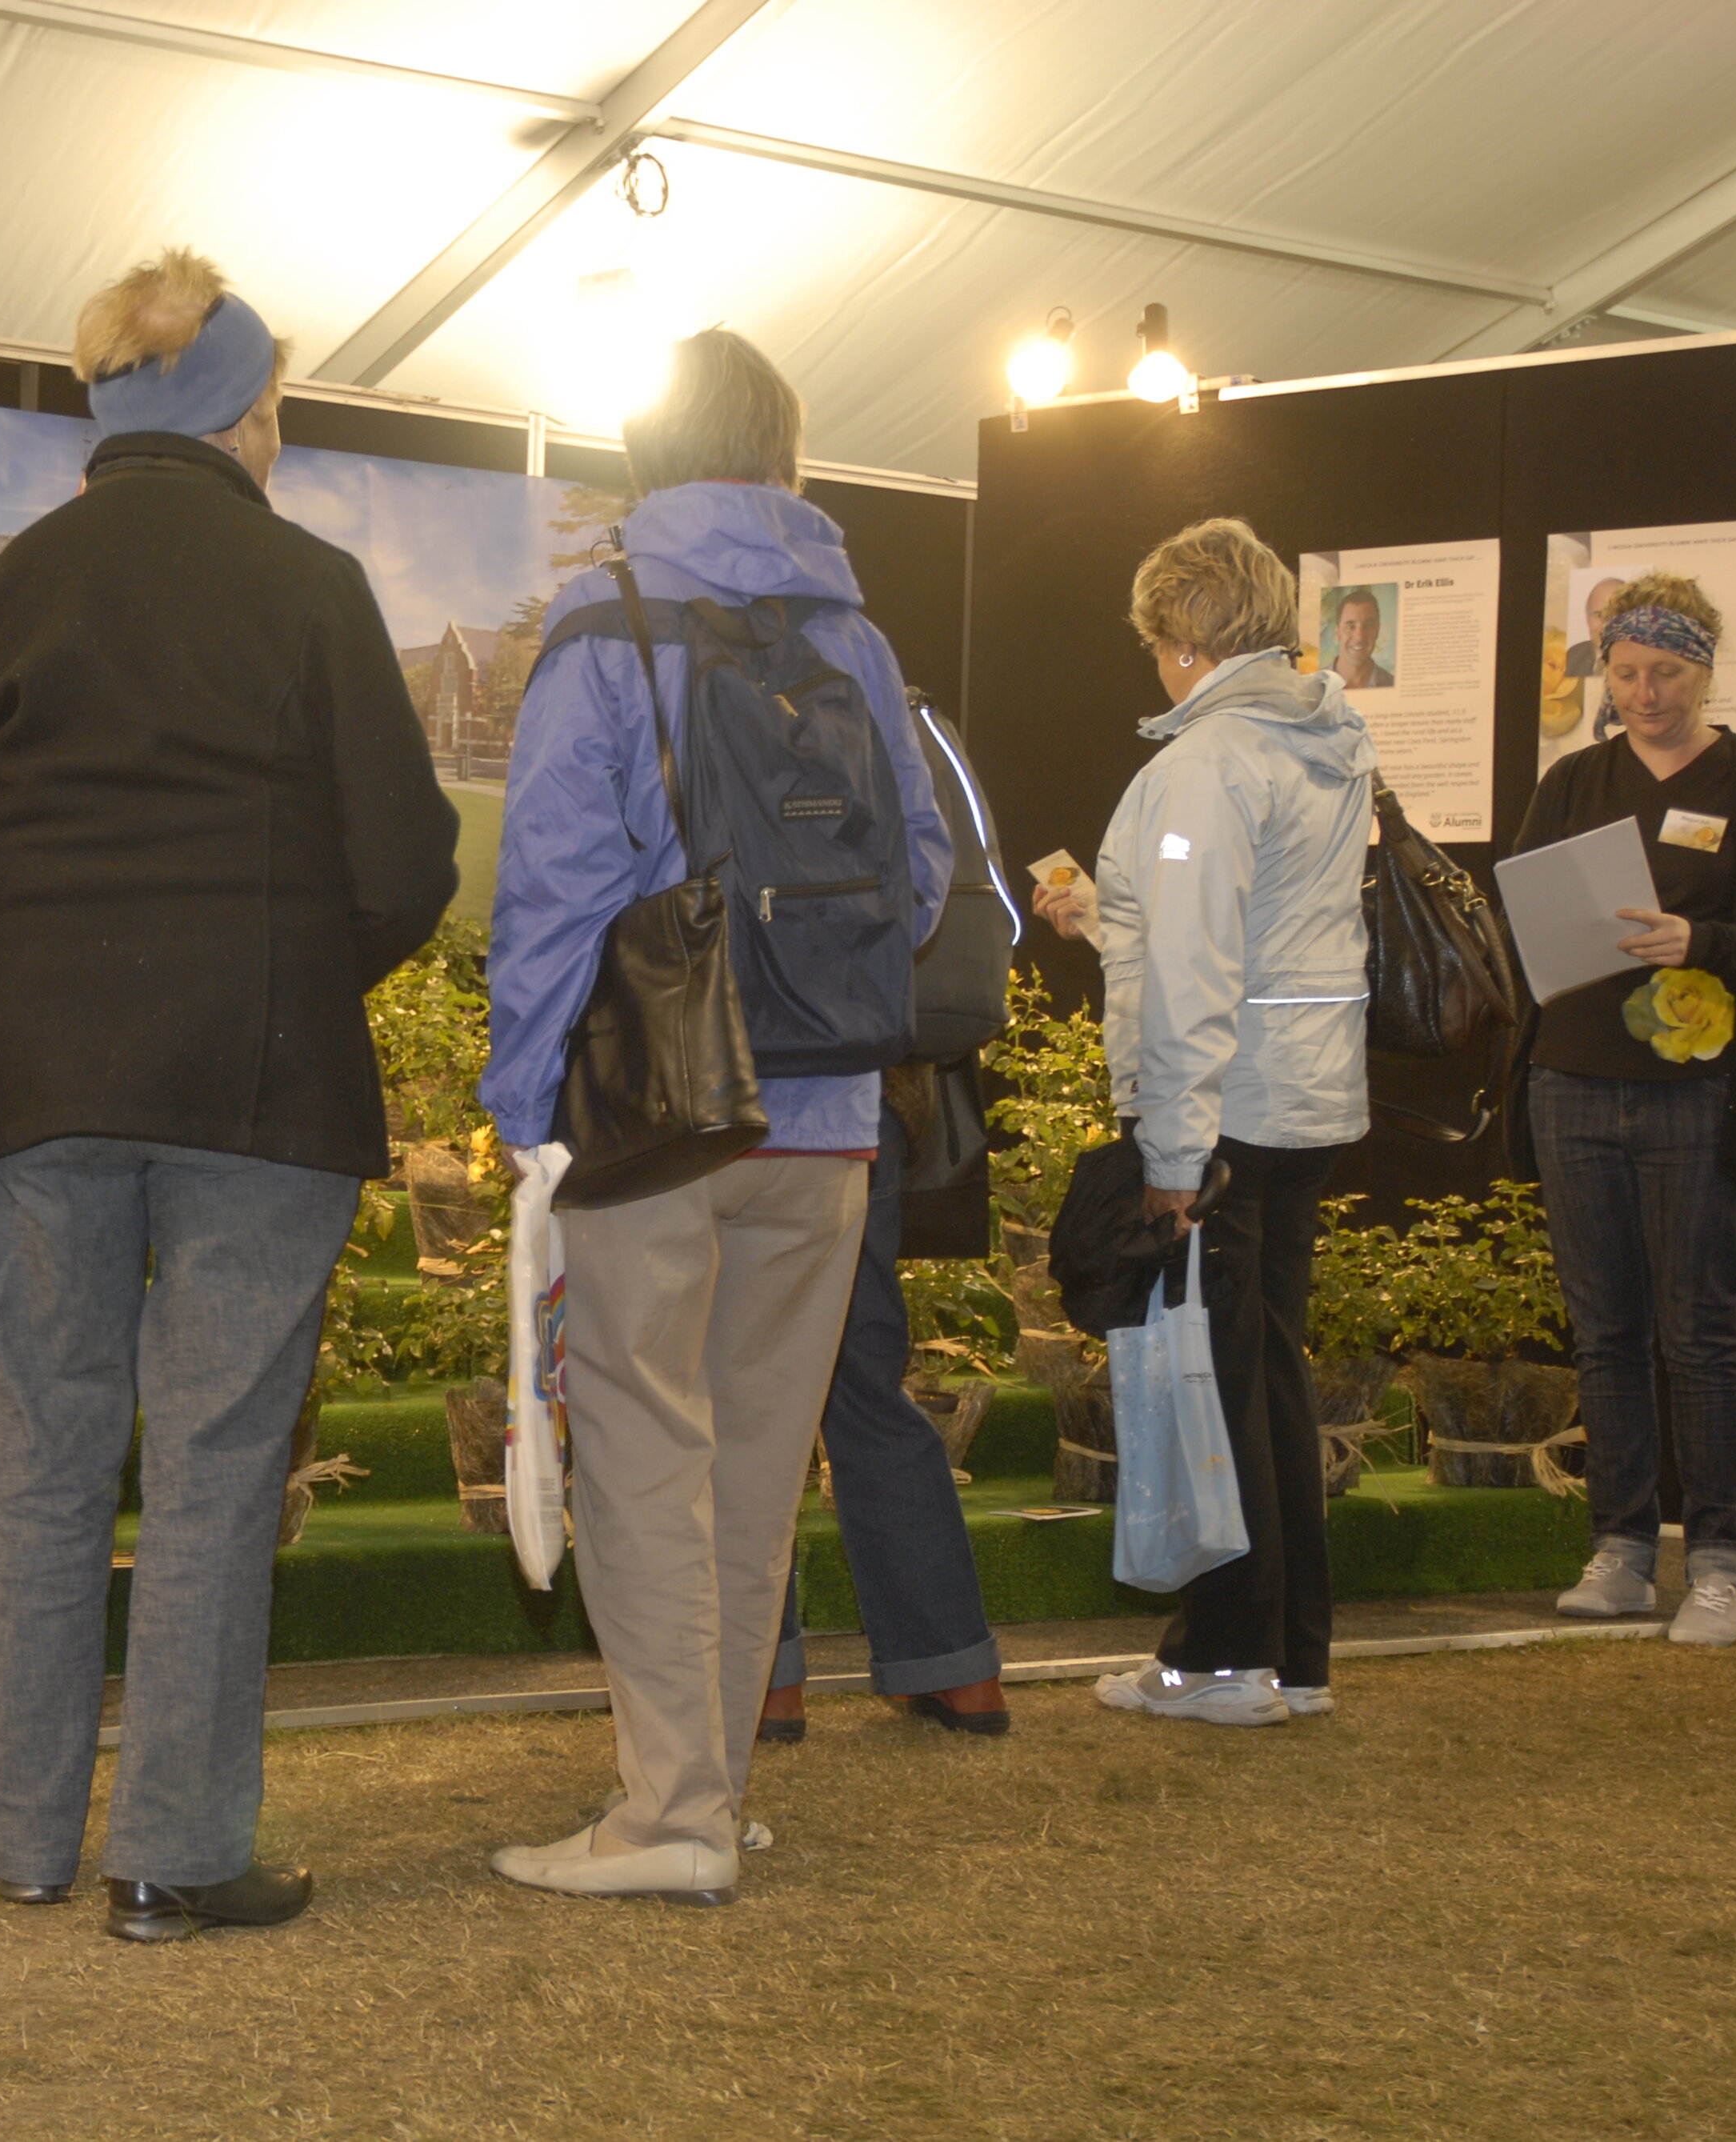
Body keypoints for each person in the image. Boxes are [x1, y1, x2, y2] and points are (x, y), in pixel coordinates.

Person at [0, 250, 458, 1943]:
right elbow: (404, 863)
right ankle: (171, 1852)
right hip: (255, 1088)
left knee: (41, 1452)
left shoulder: (1, 591)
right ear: (247, 408)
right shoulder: (309, 586)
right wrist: (295, 971)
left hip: (25, 1084)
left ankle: (13, 1830)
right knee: (219, 1463)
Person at [482, 330, 953, 1902]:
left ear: (647, 449)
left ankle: (669, 1815)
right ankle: (711, 1791)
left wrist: (518, 1104)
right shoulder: (857, 637)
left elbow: (549, 885)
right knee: (756, 1466)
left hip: (648, 1110)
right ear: (786, 451)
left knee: (637, 1446)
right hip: (824, 1116)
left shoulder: (603, 618)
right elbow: (930, 879)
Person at [1035, 517, 1374, 1728]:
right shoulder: (1325, 736)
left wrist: (1171, 1158)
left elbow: (1190, 977)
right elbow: (1237, 934)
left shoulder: (1200, 764)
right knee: (1263, 1374)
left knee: (1220, 1388)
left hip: (1224, 1112)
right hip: (1302, 1096)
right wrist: (1105, 922)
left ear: (1177, 634)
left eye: (1152, 641)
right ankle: (1290, 1656)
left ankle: (1225, 1658)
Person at [1510, 572, 1736, 1648]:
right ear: (1602, 668)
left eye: (1667, 673)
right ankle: (1620, 1546)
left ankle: (1720, 1560)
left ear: (1706, 667)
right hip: (1571, 1078)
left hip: (1701, 1090)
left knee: (1697, 1327)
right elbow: (1525, 905)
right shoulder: (1571, 778)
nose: (1644, 694)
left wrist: (1703, 944)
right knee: (1602, 1330)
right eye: (1627, 671)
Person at [755, 1060, 1012, 1744]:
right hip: (864, 1097)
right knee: (864, 1387)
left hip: (731, 1095)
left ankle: (762, 1680)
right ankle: (955, 1666)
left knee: (743, 1398)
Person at [1330, 587, 1395, 691]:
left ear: (1377, 631)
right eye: (1350, 626)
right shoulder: (1314, 686)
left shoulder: (1392, 684)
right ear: (1337, 633)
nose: (1360, 636)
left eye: (1368, 626)